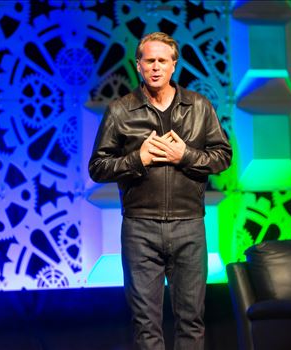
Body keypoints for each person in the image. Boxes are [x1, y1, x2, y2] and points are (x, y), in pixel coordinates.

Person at [89, 32, 232, 350]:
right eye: (149, 60)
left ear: (174, 65)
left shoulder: (198, 107)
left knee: (191, 320)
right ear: (138, 66)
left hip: (189, 225)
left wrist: (186, 156)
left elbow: (223, 156)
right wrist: (136, 159)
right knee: (145, 324)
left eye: (162, 61)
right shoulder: (121, 111)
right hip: (141, 228)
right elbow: (98, 168)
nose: (156, 67)